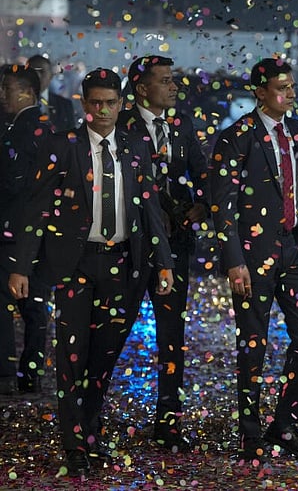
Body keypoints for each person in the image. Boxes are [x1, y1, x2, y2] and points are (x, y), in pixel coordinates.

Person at [7, 68, 174, 477]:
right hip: (73, 266)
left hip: (122, 265)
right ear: (84, 103)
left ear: (121, 104)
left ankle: (91, 431)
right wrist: (22, 267)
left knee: (104, 356)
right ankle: (75, 444)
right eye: (95, 102)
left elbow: (151, 210)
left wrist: (164, 262)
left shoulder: (135, 147)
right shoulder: (64, 147)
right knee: (71, 357)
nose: (102, 110)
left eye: (110, 103)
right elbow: (36, 208)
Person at [209, 58, 298, 464]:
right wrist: (233, 259)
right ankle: (250, 432)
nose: (290, 94)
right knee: (252, 344)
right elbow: (222, 205)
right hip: (253, 256)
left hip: (297, 250)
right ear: (259, 91)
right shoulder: (235, 137)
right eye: (282, 88)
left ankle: (287, 423)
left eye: (292, 87)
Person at [119, 55, 210, 451]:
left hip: (176, 242)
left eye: (175, 80)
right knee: (114, 328)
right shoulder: (121, 126)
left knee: (172, 334)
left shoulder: (182, 124)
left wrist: (202, 205)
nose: (174, 87)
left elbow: (202, 172)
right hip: (128, 245)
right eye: (166, 81)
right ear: (142, 88)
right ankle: (89, 417)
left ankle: (168, 419)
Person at [0, 64, 53, 394]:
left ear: (29, 93)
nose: (3, 95)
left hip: (13, 231)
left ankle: (6, 370)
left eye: (8, 89)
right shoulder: (49, 129)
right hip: (42, 233)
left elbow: (14, 183)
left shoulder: (20, 131)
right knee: (34, 306)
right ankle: (31, 372)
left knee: (6, 302)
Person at [26, 55, 77, 131]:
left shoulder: (64, 105)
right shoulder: (16, 103)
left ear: (51, 76)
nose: (38, 76)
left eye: (41, 72)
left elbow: (72, 135)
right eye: (33, 72)